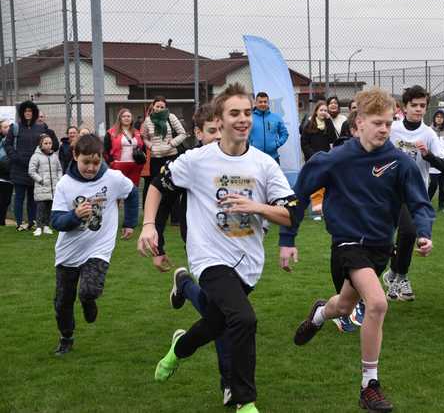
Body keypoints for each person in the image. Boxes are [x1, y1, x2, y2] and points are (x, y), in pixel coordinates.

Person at [138, 83, 296, 413]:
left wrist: (257, 208)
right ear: (220, 120)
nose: (242, 119)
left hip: (248, 261)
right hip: (209, 258)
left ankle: (179, 349)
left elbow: (290, 212)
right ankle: (244, 399)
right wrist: (149, 225)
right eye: (234, 113)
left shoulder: (264, 164)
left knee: (217, 322)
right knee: (243, 319)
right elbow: (158, 185)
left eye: (247, 113)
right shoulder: (197, 160)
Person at [280, 88, 435, 412]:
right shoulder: (334, 159)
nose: (384, 129)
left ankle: (320, 314)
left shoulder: (398, 162)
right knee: (377, 303)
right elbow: (299, 196)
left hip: (380, 247)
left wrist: (424, 233)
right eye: (377, 123)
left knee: (344, 305)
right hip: (348, 244)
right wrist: (287, 239)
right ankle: (369, 386)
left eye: (388, 123)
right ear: (359, 123)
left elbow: (419, 202)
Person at [50, 134, 138, 355]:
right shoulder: (65, 184)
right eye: (86, 162)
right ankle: (66, 337)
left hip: (99, 247)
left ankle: (89, 301)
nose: (91, 167)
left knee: (89, 290)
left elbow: (133, 193)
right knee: (62, 301)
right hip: (68, 252)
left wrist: (129, 223)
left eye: (95, 162)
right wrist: (75, 215)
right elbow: (56, 221)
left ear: (101, 159)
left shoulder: (112, 178)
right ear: (75, 156)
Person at [384, 85, 444, 302]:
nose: (419, 109)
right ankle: (392, 273)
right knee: (383, 239)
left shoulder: (428, 134)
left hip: (413, 193)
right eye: (414, 105)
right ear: (404, 107)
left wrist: (428, 155)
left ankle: (398, 277)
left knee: (410, 232)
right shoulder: (392, 130)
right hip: (387, 191)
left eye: (423, 106)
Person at [4, 100, 59, 231]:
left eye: (30, 111)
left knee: (33, 198)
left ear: (33, 113)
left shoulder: (40, 128)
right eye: (25, 111)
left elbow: (50, 144)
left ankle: (32, 222)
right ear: (22, 113)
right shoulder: (15, 127)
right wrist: (15, 157)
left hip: (36, 168)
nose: (28, 113)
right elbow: (8, 144)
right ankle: (19, 223)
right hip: (19, 168)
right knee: (19, 197)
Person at [141, 96, 187, 204]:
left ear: (166, 108)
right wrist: (151, 146)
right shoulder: (148, 120)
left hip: (171, 156)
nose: (159, 109)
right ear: (153, 106)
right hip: (155, 158)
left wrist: (172, 143)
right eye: (157, 106)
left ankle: (175, 217)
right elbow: (144, 137)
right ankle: (157, 215)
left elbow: (182, 133)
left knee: (173, 185)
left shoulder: (171, 117)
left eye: (162, 107)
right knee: (156, 186)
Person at [301, 100, 338, 221]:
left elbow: (333, 138)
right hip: (313, 160)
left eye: (325, 110)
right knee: (315, 185)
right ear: (316, 111)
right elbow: (304, 143)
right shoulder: (309, 125)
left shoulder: (328, 124)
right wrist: (313, 156)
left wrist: (329, 120)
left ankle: (327, 210)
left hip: (326, 159)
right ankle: (316, 211)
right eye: (321, 110)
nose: (323, 112)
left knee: (327, 185)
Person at [28, 134, 63, 236]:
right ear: (41, 144)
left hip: (53, 188)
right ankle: (39, 227)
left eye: (50, 143)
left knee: (49, 208)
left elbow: (59, 169)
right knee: (41, 208)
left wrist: (59, 180)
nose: (48, 145)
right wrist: (41, 180)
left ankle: (47, 226)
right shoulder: (36, 156)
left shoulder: (54, 156)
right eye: (46, 143)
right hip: (42, 187)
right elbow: (31, 171)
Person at [104, 108, 146, 186]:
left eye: (128, 116)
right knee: (118, 190)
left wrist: (142, 160)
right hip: (118, 165)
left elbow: (143, 148)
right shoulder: (111, 132)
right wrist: (111, 162)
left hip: (135, 165)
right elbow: (105, 150)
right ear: (120, 118)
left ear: (131, 118)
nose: (126, 118)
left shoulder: (137, 132)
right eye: (124, 116)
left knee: (133, 189)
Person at [249, 91, 289, 164]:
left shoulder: (276, 118)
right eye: (260, 102)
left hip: (273, 158)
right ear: (255, 103)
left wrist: (277, 143)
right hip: (254, 158)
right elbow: (244, 135)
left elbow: (284, 134)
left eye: (265, 102)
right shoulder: (249, 118)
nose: (263, 104)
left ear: (268, 103)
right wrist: (250, 146)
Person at [428, 109, 444, 212]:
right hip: (433, 161)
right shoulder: (429, 130)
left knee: (442, 186)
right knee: (433, 183)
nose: (439, 119)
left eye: (441, 117)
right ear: (434, 118)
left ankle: (441, 206)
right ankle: (426, 202)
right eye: (437, 117)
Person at [0, 119, 13, 225]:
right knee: (3, 200)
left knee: (7, 200)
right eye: (5, 127)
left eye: (9, 126)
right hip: (2, 175)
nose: (8, 129)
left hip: (12, 175)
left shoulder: (14, 140)